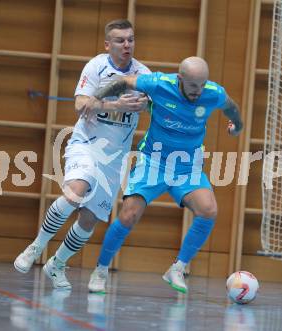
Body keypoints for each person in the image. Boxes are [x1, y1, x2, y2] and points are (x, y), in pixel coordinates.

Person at [87, 56, 243, 294]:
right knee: (129, 215)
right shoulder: (159, 83)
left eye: (202, 85)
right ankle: (100, 270)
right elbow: (123, 81)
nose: (198, 92)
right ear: (180, 79)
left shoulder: (213, 93)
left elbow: (231, 107)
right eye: (193, 86)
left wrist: (237, 126)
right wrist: (95, 98)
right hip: (153, 161)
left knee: (209, 210)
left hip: (187, 166)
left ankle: (178, 268)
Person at [13, 19, 151, 290]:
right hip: (86, 143)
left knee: (89, 218)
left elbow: (156, 104)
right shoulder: (96, 66)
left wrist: (146, 105)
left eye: (131, 39)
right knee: (77, 188)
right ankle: (36, 247)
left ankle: (57, 264)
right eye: (121, 40)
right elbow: (80, 105)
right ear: (108, 44)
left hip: (115, 157)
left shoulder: (143, 74)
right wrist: (116, 104)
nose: (127, 45)